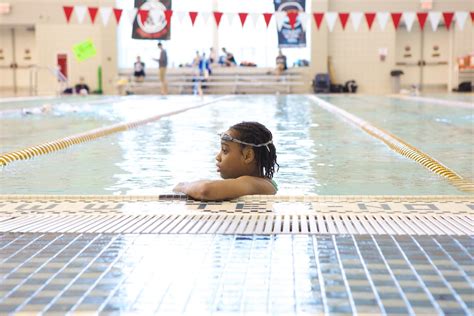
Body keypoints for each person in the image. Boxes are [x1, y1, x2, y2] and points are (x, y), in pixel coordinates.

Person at [173, 121, 279, 201]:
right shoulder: (260, 182)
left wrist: (184, 186)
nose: (218, 157)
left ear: (248, 156)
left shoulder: (253, 183)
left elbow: (205, 190)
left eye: (225, 150)